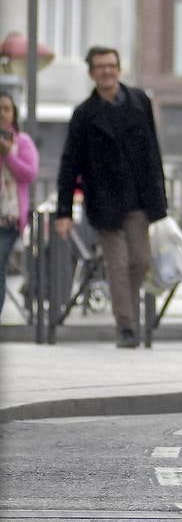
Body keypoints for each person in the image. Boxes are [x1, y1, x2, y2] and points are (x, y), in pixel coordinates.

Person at [55, 46, 168, 348]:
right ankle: (127, 327)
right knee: (117, 264)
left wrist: (160, 198)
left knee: (140, 261)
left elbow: (153, 151)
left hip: (139, 198)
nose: (107, 71)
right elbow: (70, 163)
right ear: (92, 73)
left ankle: (126, 313)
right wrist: (63, 210)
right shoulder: (84, 113)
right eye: (101, 67)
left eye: (112, 66)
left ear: (119, 69)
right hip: (104, 201)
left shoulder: (140, 102)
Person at [0, 91, 38, 318]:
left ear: (13, 114)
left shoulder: (22, 142)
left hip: (8, 219)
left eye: (6, 108)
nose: (1, 113)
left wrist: (8, 155)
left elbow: (29, 173)